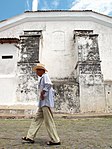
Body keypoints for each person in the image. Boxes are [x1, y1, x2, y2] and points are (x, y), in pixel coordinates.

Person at [22, 63, 61, 145]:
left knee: (48, 121)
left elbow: (49, 84)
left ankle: (55, 140)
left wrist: (43, 92)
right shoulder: (42, 77)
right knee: (36, 119)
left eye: (37, 70)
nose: (36, 72)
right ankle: (30, 137)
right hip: (42, 103)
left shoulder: (45, 76)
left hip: (45, 103)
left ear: (41, 70)